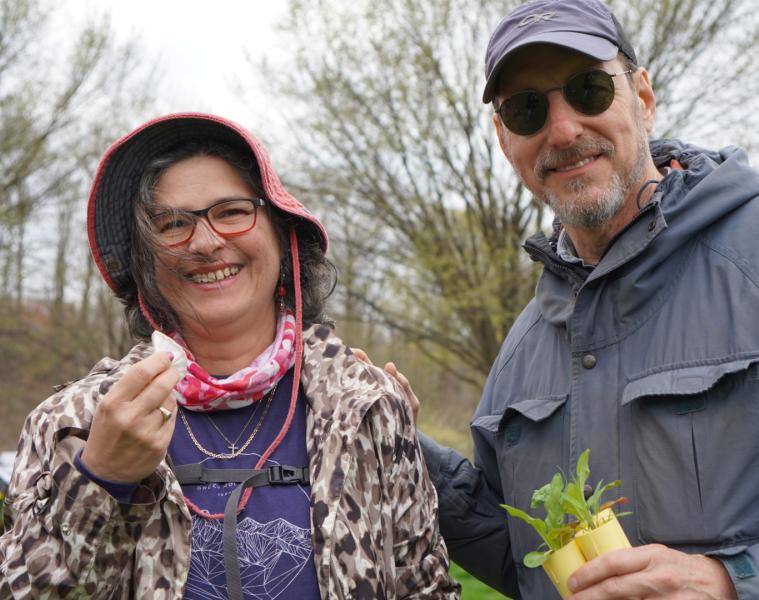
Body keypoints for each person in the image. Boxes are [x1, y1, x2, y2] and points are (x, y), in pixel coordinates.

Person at [414, 0, 759, 598]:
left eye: (589, 90)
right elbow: (524, 563)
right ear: (503, 137)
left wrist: (734, 583)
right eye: (526, 108)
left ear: (641, 98)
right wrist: (397, 444)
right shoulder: (519, 353)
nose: (563, 131)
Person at [0, 113, 460, 599]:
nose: (205, 242)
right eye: (172, 224)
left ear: (284, 238)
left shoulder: (368, 408)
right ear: (145, 265)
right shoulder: (73, 425)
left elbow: (425, 588)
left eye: (233, 212)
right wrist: (100, 482)